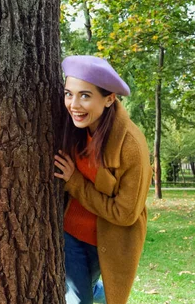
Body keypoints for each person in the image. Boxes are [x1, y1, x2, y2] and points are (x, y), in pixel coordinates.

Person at [54, 56, 152, 304]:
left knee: (100, 292)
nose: (73, 104)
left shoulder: (131, 147)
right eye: (69, 94)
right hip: (69, 234)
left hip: (107, 241)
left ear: (109, 99)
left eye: (85, 96)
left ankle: (97, 289)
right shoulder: (71, 124)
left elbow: (126, 213)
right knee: (79, 300)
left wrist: (75, 182)